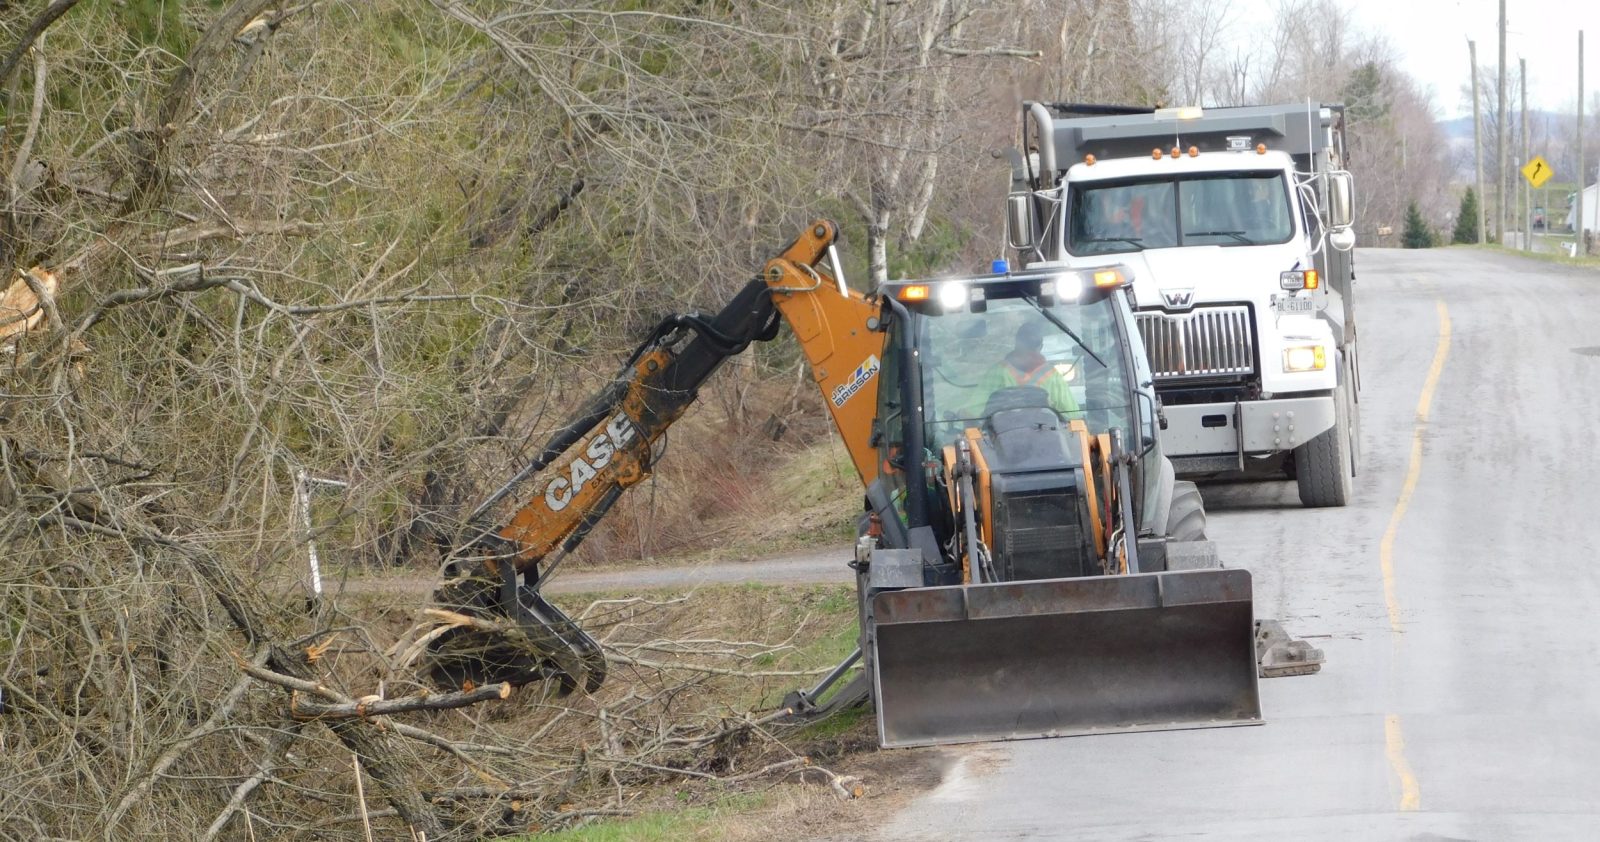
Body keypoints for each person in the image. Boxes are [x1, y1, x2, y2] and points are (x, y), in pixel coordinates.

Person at [979, 321, 1079, 416]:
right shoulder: (1052, 375)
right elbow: (1072, 414)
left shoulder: (997, 371)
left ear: (1017, 343)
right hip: (1044, 431)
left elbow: (974, 410)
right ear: (1041, 347)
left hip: (1002, 432)